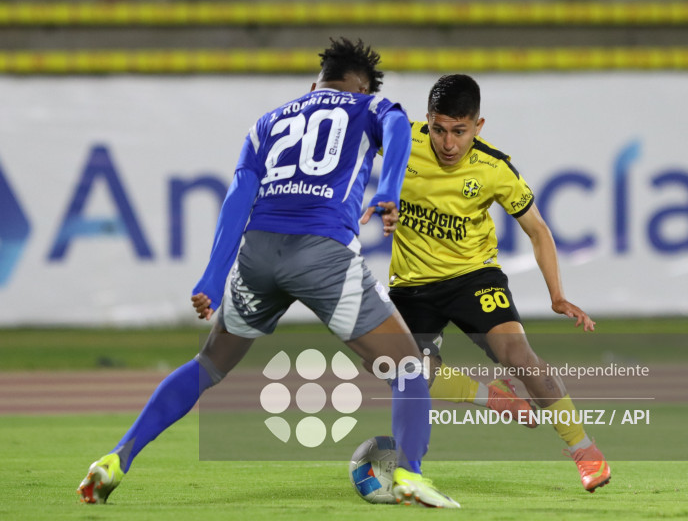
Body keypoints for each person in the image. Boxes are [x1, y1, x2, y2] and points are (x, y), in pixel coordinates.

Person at [77, 38, 459, 508]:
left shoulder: (268, 122)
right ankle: (410, 476)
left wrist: (212, 279)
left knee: (208, 365)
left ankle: (117, 459)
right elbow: (401, 128)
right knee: (407, 369)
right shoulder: (371, 105)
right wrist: (392, 191)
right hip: (323, 252)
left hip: (258, 254)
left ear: (314, 83)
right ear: (361, 85)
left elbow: (238, 198)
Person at [387, 74, 611, 492]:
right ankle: (492, 397)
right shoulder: (401, 139)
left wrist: (557, 296)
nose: (448, 143)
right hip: (411, 285)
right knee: (400, 370)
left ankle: (584, 450)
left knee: (519, 355)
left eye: (459, 131)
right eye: (438, 129)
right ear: (427, 122)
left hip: (473, 276)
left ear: (479, 126)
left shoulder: (494, 168)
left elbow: (539, 230)